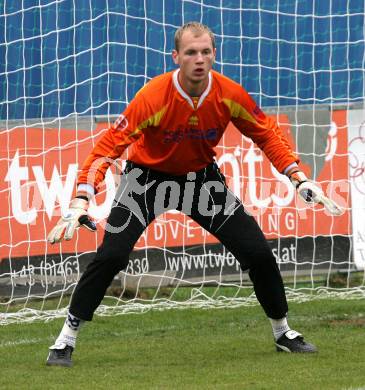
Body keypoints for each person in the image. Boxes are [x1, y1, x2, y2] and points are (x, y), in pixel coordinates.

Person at [46, 22, 341, 367]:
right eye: (190, 52)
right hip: (145, 182)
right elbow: (106, 150)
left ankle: (283, 332)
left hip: (200, 181)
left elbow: (267, 135)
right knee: (111, 256)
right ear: (176, 57)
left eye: (205, 52)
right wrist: (81, 199)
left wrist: (298, 176)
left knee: (258, 252)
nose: (199, 59)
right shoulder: (152, 97)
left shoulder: (230, 94)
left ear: (214, 54)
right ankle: (65, 339)